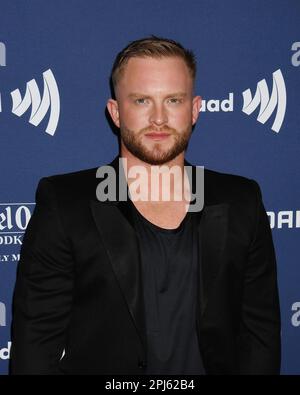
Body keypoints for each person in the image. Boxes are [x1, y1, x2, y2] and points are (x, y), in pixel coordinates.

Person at [9, 36, 281, 375]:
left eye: (173, 100)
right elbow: (35, 342)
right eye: (141, 100)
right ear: (116, 112)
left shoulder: (241, 201)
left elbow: (260, 336)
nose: (158, 118)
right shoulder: (66, 203)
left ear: (194, 109)